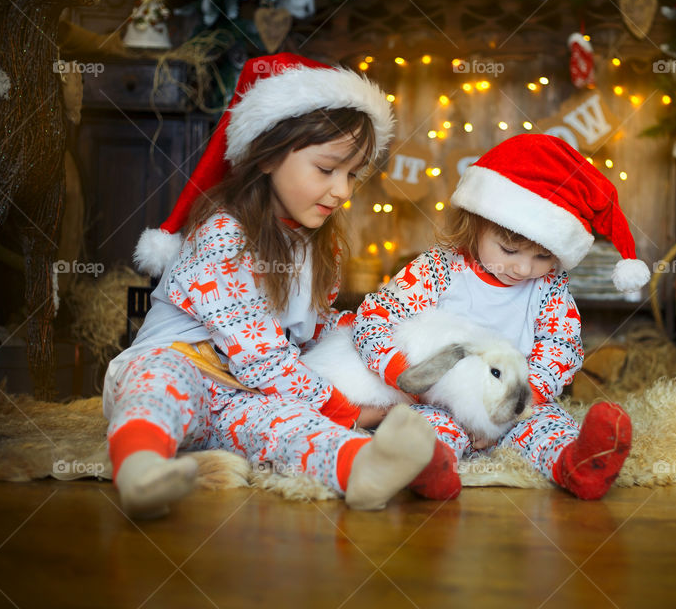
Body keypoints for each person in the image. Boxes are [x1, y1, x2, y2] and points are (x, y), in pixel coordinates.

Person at [103, 53, 453, 518]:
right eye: (327, 170)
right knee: (162, 387)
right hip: (179, 366)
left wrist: (379, 345)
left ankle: (360, 468)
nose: (343, 191)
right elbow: (262, 358)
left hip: (242, 396)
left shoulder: (319, 248)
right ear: (267, 156)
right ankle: (140, 467)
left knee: (287, 425)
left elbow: (315, 337)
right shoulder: (223, 235)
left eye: (353, 174)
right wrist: (353, 412)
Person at [353, 133, 651, 500]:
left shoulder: (548, 287)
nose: (525, 268)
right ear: (477, 221)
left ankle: (577, 465)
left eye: (543, 257)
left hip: (516, 404)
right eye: (509, 249)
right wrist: (406, 377)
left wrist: (518, 405)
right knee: (426, 429)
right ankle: (430, 469)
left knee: (549, 427)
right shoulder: (439, 268)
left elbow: (560, 347)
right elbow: (374, 321)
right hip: (444, 403)